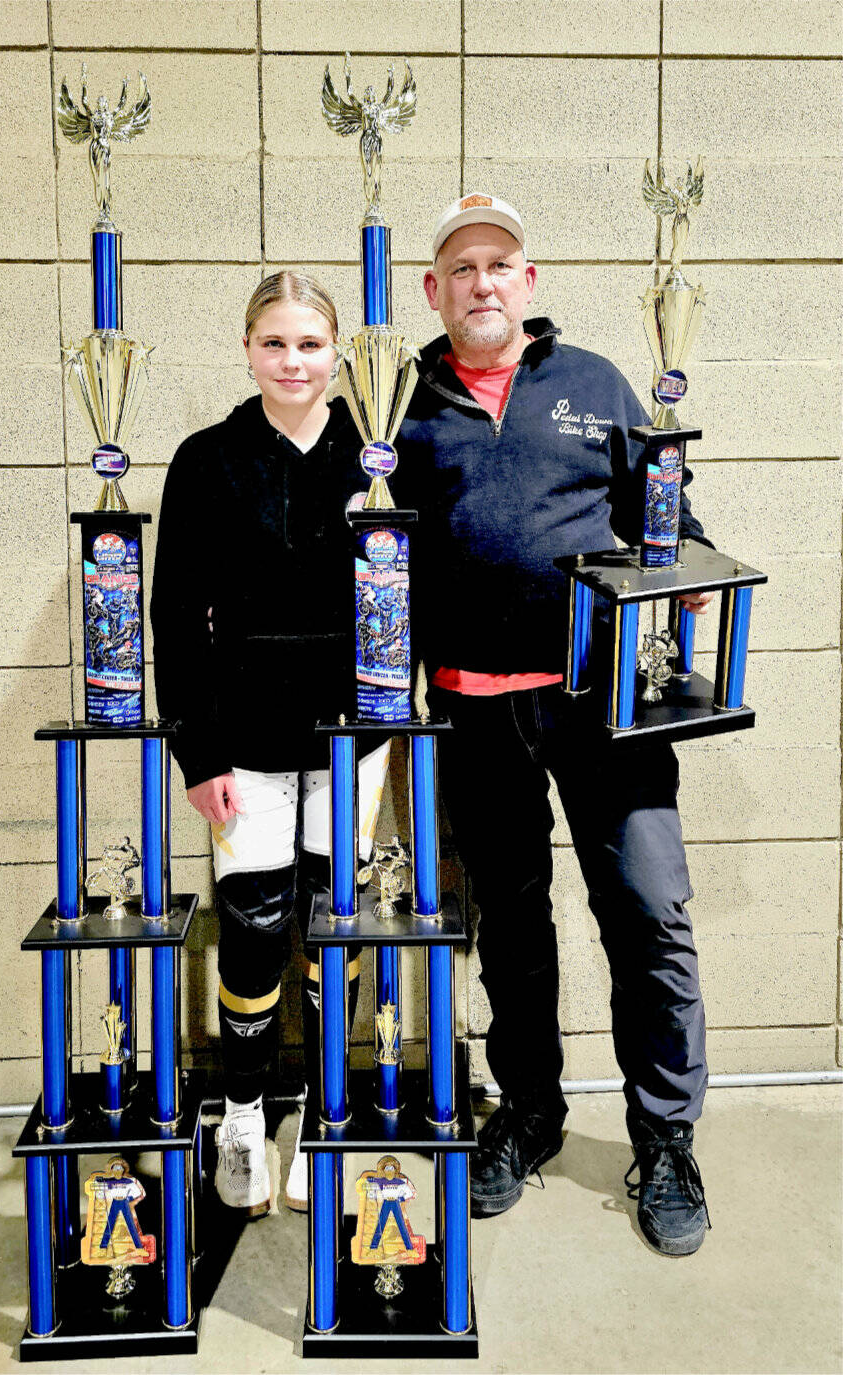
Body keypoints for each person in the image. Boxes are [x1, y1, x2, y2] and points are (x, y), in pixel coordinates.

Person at [394, 193, 714, 1255]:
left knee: (649, 914)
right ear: (433, 292)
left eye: (500, 263)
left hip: (601, 704)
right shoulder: (404, 405)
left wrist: (698, 571)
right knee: (515, 934)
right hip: (476, 714)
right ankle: (529, 1112)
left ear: (528, 284)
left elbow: (661, 501)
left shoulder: (596, 384)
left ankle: (665, 1139)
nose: (481, 281)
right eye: (460, 267)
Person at [151, 271, 389, 1216]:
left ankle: (326, 1123)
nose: (294, 361)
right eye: (275, 343)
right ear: (247, 348)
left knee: (337, 933)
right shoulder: (204, 459)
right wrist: (196, 751)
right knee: (251, 932)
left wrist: (387, 720)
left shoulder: (376, 460)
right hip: (242, 742)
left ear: (336, 353)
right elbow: (173, 617)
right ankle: (243, 1116)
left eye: (310, 344)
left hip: (350, 743)